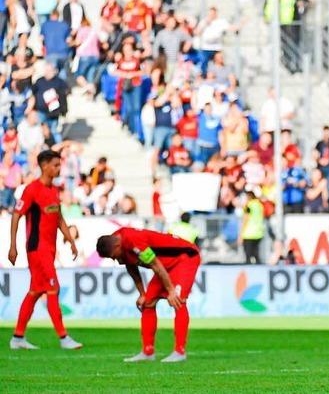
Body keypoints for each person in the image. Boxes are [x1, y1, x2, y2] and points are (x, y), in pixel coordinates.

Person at [8, 150, 83, 350]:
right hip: (36, 248)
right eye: (56, 165)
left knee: (34, 292)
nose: (59, 169)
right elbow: (16, 215)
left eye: (59, 165)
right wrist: (12, 246)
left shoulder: (53, 190)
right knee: (53, 288)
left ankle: (17, 337)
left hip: (49, 248)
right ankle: (63, 337)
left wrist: (70, 240)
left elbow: (58, 218)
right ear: (44, 166)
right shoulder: (32, 189)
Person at [95, 227, 201, 363]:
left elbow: (155, 265)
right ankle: (148, 351)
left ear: (117, 245)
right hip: (165, 266)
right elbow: (130, 266)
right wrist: (142, 294)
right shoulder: (116, 240)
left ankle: (180, 351)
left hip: (185, 257)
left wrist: (171, 290)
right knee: (147, 303)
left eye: (113, 256)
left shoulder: (134, 241)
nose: (115, 260)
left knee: (177, 300)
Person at [31, 62, 68, 143]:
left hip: (54, 113)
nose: (48, 72)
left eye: (50, 70)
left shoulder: (59, 82)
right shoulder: (39, 81)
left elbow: (65, 93)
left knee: (54, 131)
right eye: (46, 70)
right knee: (40, 132)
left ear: (54, 71)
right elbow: (33, 92)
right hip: (41, 112)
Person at [40, 10, 71, 80]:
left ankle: (54, 89)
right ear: (58, 16)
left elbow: (41, 38)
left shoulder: (45, 25)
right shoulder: (64, 25)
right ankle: (62, 89)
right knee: (62, 72)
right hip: (63, 53)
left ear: (51, 16)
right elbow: (68, 40)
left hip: (51, 52)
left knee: (51, 74)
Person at [239, 190, 264, 264]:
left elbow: (245, 219)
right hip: (258, 233)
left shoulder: (248, 205)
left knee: (248, 256)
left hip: (249, 233)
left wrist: (241, 233)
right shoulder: (259, 205)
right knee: (256, 255)